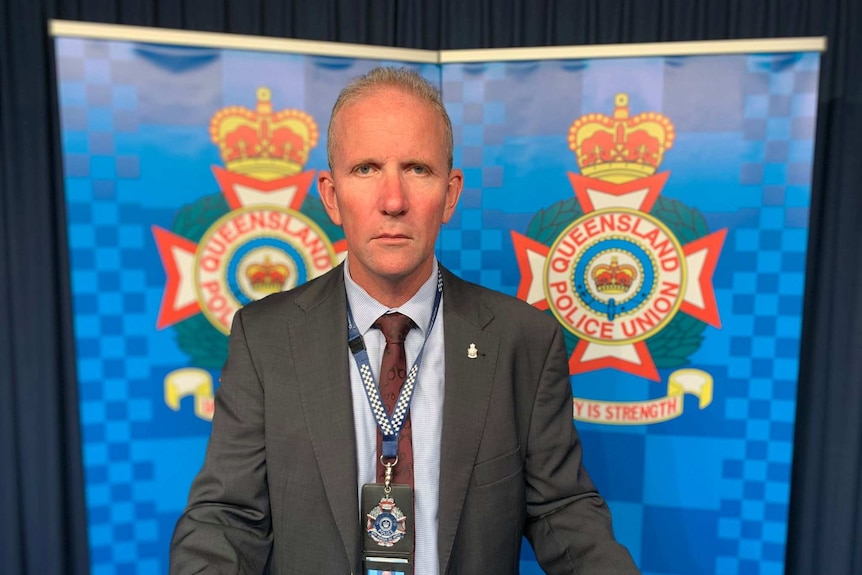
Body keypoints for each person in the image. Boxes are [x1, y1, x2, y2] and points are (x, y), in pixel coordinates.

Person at [170, 66, 640, 575]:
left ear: (451, 193)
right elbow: (226, 520)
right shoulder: (265, 339)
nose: (393, 202)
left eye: (417, 169)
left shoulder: (522, 340)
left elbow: (561, 511)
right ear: (330, 195)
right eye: (366, 169)